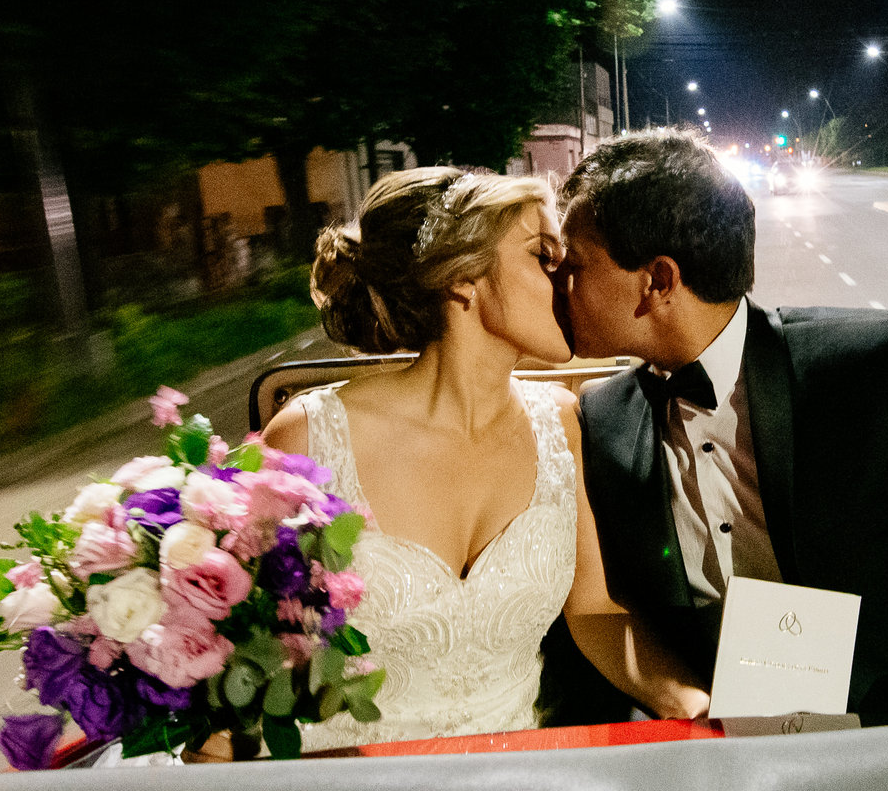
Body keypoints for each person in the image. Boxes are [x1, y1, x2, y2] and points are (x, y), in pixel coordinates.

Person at [553, 130, 888, 726]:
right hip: (706, 750)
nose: (559, 288)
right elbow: (611, 609)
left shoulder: (870, 366)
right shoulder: (602, 416)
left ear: (658, 280)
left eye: (573, 266)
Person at [259, 167, 697, 750]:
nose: (567, 278)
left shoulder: (560, 424)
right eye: (543, 256)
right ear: (463, 278)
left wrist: (695, 700)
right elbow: (253, 645)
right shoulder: (306, 438)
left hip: (504, 789)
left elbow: (593, 611)